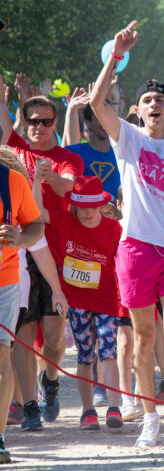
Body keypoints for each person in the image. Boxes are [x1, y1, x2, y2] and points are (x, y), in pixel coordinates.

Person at [89, 20, 164, 448]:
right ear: (138, 111)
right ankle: (150, 418)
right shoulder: (128, 140)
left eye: (160, 99)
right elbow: (99, 103)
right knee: (143, 338)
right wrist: (116, 55)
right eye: (146, 100)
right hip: (135, 250)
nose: (153, 104)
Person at [0, 93, 84, 425]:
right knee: (23, 330)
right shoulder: (15, 148)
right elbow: (5, 123)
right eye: (33, 120)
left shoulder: (66, 157)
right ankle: (30, 405)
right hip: (18, 250)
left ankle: (49, 381)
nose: (40, 127)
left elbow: (68, 188)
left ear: (54, 123)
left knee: (53, 335)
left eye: (47, 121)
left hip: (54, 250)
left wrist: (47, 177)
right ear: (25, 122)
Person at [32, 175, 123, 430]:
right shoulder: (64, 221)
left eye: (93, 206)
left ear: (101, 205)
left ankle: (114, 407)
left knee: (108, 352)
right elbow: (38, 212)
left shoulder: (113, 228)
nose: (88, 212)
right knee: (85, 355)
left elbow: (123, 264)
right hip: (78, 302)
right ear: (74, 206)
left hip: (106, 301)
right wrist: (39, 180)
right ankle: (88, 411)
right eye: (82, 207)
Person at [0, 159, 46, 462]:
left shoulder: (12, 181)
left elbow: (36, 225)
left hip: (5, 282)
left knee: (2, 356)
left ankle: (0, 438)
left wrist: (20, 239)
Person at [63, 89, 121, 200]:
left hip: (115, 216)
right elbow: (71, 143)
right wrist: (72, 109)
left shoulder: (122, 153)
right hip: (87, 215)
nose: (105, 122)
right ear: (88, 122)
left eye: (108, 116)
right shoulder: (78, 152)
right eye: (99, 117)